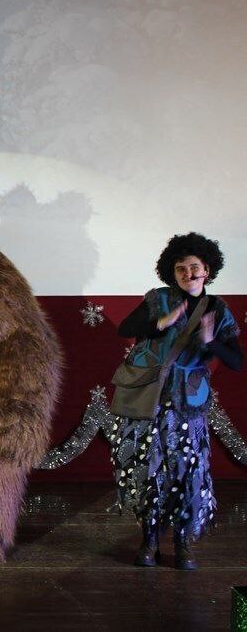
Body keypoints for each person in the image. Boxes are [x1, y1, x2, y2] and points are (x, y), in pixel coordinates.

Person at [110, 232, 242, 569]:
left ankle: (183, 543)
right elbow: (125, 328)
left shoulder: (218, 309)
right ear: (173, 272)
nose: (187, 274)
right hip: (149, 400)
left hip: (189, 404)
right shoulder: (158, 299)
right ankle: (149, 540)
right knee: (147, 470)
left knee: (189, 472)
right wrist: (159, 323)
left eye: (193, 268)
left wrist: (210, 341)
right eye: (180, 269)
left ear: (207, 270)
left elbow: (236, 362)